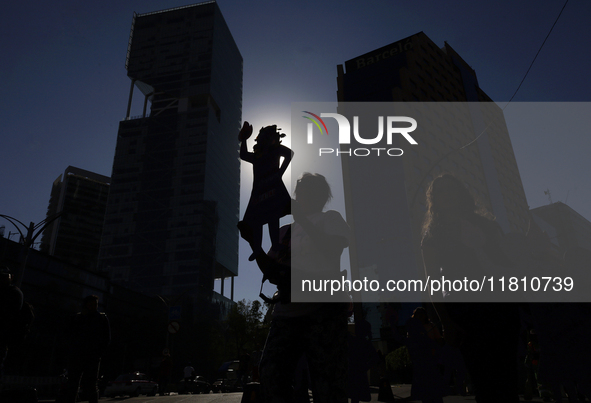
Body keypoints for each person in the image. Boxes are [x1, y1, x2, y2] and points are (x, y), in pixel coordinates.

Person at [421, 173, 520, 403]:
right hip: (466, 310)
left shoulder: (486, 225)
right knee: (484, 380)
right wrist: (446, 322)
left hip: (500, 304)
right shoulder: (433, 235)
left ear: (461, 194)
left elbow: (508, 262)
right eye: (441, 191)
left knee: (508, 378)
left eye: (452, 189)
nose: (448, 195)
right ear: (435, 200)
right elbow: (433, 281)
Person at [257, 172, 350, 403]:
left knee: (327, 384)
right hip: (287, 313)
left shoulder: (331, 218)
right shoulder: (285, 231)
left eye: (309, 191)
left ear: (321, 196)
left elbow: (333, 249)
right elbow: (269, 271)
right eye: (301, 192)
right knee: (271, 374)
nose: (302, 197)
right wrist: (254, 245)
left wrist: (304, 220)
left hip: (323, 311)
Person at [238, 121, 293, 261]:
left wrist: (280, 172)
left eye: (262, 136)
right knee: (258, 219)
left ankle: (275, 244)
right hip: (259, 189)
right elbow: (243, 155)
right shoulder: (257, 155)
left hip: (272, 187)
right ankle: (257, 248)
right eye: (259, 136)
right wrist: (244, 139)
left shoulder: (275, 149)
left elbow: (289, 154)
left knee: (272, 216)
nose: (260, 138)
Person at [66, 294, 110, 403]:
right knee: (74, 383)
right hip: (78, 355)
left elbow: (107, 338)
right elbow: (70, 335)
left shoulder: (101, 318)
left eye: (95, 304)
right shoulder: (78, 318)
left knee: (89, 384)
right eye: (91, 304)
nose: (94, 306)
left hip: (91, 355)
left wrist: (99, 353)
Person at [0, 266, 23, 380]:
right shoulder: (12, 292)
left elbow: (9, 315)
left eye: (5, 277)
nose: (3, 279)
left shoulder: (13, 292)